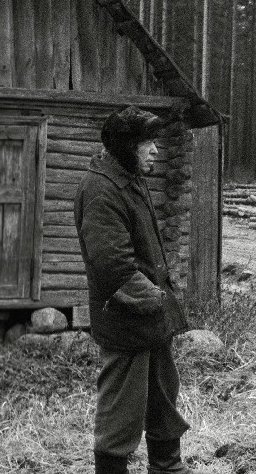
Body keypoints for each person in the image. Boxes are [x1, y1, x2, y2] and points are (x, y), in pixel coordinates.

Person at [74, 106, 193, 474]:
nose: (155, 150)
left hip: (150, 320)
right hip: (127, 321)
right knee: (121, 414)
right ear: (126, 146)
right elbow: (115, 269)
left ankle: (167, 468)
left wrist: (161, 310)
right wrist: (157, 300)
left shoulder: (128, 179)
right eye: (147, 143)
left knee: (162, 400)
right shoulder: (101, 190)